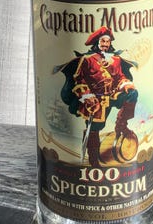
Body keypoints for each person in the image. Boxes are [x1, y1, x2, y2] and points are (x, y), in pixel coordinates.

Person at [57, 26, 138, 166]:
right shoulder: (87, 60)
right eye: (102, 41)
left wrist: (125, 84)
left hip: (112, 94)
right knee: (95, 128)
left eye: (107, 41)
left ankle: (121, 125)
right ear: (97, 43)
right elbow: (79, 80)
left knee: (132, 93)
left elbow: (120, 77)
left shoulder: (115, 60)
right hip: (95, 99)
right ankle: (94, 159)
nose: (105, 44)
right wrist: (87, 96)